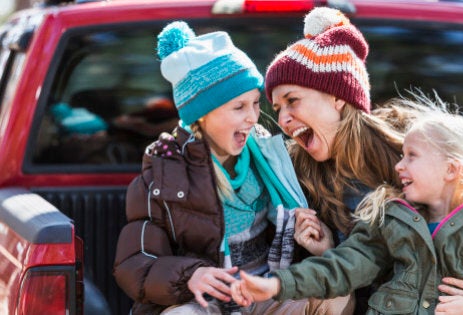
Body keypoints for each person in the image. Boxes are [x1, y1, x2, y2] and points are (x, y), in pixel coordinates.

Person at [263, 7, 463, 312]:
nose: (283, 118)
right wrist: (328, 252)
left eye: (292, 101)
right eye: (277, 108)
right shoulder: (296, 176)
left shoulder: (413, 150)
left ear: (338, 98)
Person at [113, 21, 353, 314]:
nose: (253, 117)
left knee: (336, 293)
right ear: (201, 115)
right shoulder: (165, 172)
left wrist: (316, 243)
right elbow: (135, 263)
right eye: (238, 107)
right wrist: (191, 275)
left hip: (266, 291)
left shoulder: (271, 157)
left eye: (255, 104)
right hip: (208, 304)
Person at [230, 96, 463, 314]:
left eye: (412, 157)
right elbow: (344, 267)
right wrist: (276, 286)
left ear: (451, 169)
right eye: (402, 155)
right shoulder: (391, 218)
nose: (399, 166)